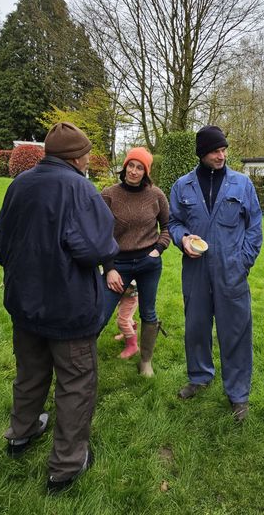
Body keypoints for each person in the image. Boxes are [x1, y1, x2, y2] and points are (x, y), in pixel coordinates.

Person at [0, 122, 118, 494]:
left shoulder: (20, 184)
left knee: (29, 371)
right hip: (68, 308)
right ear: (79, 157)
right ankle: (66, 464)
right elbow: (95, 247)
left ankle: (21, 432)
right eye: (87, 155)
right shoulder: (80, 188)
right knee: (76, 382)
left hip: (24, 304)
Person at [168, 125, 263, 422]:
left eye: (223, 150)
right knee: (196, 326)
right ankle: (199, 376)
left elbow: (255, 227)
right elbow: (173, 221)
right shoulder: (182, 186)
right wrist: (182, 239)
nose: (221, 155)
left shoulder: (241, 184)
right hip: (195, 268)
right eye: (214, 151)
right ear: (201, 153)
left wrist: (243, 261)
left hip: (231, 270)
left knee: (235, 330)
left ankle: (238, 394)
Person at [101, 147, 170, 376]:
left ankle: (146, 361)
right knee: (100, 312)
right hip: (117, 265)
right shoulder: (109, 194)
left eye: (139, 167)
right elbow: (99, 233)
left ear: (146, 172)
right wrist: (109, 267)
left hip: (148, 263)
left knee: (148, 313)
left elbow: (168, 227)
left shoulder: (156, 195)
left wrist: (158, 249)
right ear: (124, 167)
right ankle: (83, 359)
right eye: (131, 165)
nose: (134, 171)